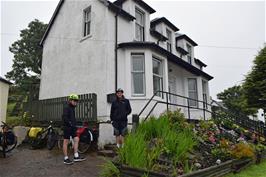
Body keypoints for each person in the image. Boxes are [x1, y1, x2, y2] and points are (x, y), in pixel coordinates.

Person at [62, 94, 85, 165]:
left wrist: (75, 124)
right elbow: (64, 117)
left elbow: (72, 118)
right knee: (66, 141)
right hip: (67, 127)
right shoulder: (67, 107)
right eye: (74, 100)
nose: (76, 102)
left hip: (72, 127)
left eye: (76, 101)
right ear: (70, 100)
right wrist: (70, 123)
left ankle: (76, 156)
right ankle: (65, 158)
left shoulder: (72, 108)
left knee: (76, 139)